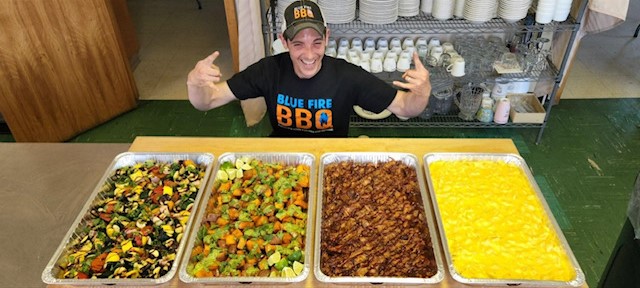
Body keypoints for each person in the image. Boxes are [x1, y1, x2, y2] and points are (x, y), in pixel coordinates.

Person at [187, 0, 431, 137]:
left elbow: (404, 107)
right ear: (283, 42)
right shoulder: (268, 70)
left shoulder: (346, 75)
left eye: (317, 42)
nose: (309, 55)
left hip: (331, 162)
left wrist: (422, 93)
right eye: (297, 44)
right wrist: (194, 83)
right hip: (283, 161)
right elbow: (207, 101)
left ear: (327, 37)